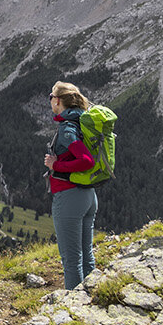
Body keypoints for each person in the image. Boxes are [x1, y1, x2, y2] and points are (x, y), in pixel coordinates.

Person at [43, 81, 99, 289]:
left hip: (69, 197)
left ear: (57, 100)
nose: (50, 101)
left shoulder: (67, 127)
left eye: (51, 97)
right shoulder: (82, 121)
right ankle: (91, 300)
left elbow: (86, 160)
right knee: (86, 256)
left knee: (71, 260)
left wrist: (56, 165)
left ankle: (75, 310)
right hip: (88, 196)